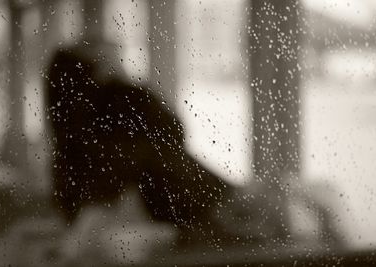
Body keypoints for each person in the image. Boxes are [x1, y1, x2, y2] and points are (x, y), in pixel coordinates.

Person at [45, 41, 238, 243]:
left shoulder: (77, 134)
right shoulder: (123, 114)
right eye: (108, 60)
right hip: (165, 211)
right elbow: (172, 130)